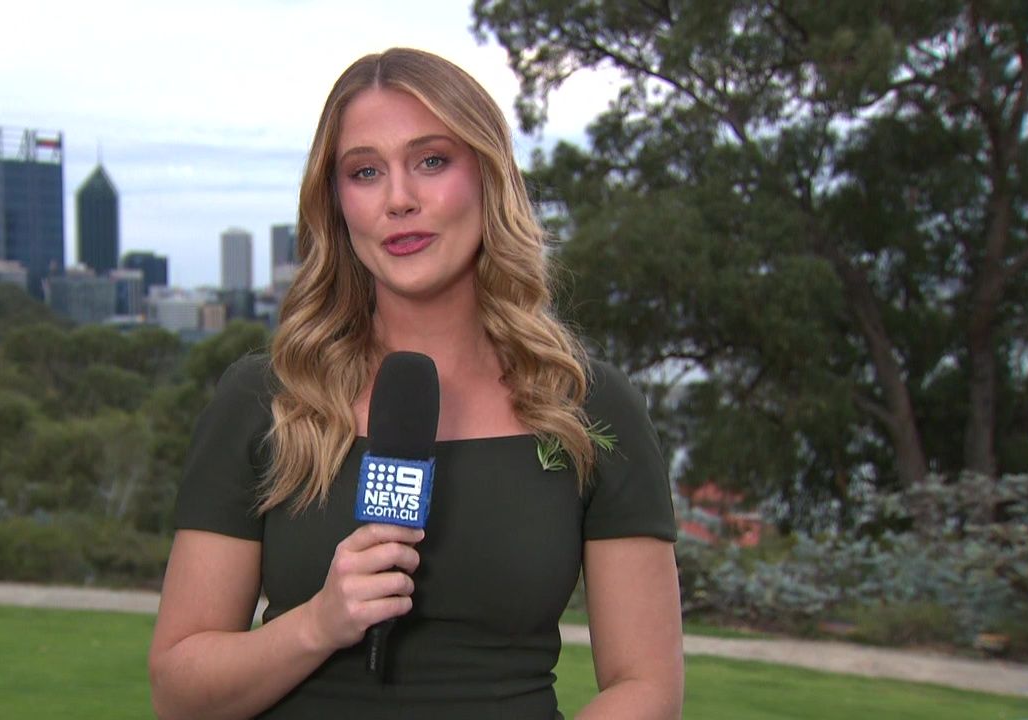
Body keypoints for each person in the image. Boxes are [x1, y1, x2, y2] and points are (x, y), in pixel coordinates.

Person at [149, 47, 683, 720]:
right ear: (336, 202)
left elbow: (647, 688)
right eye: (365, 172)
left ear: (488, 177)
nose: (399, 199)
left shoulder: (588, 407)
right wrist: (318, 622)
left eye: (431, 161)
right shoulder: (266, 400)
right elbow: (179, 694)